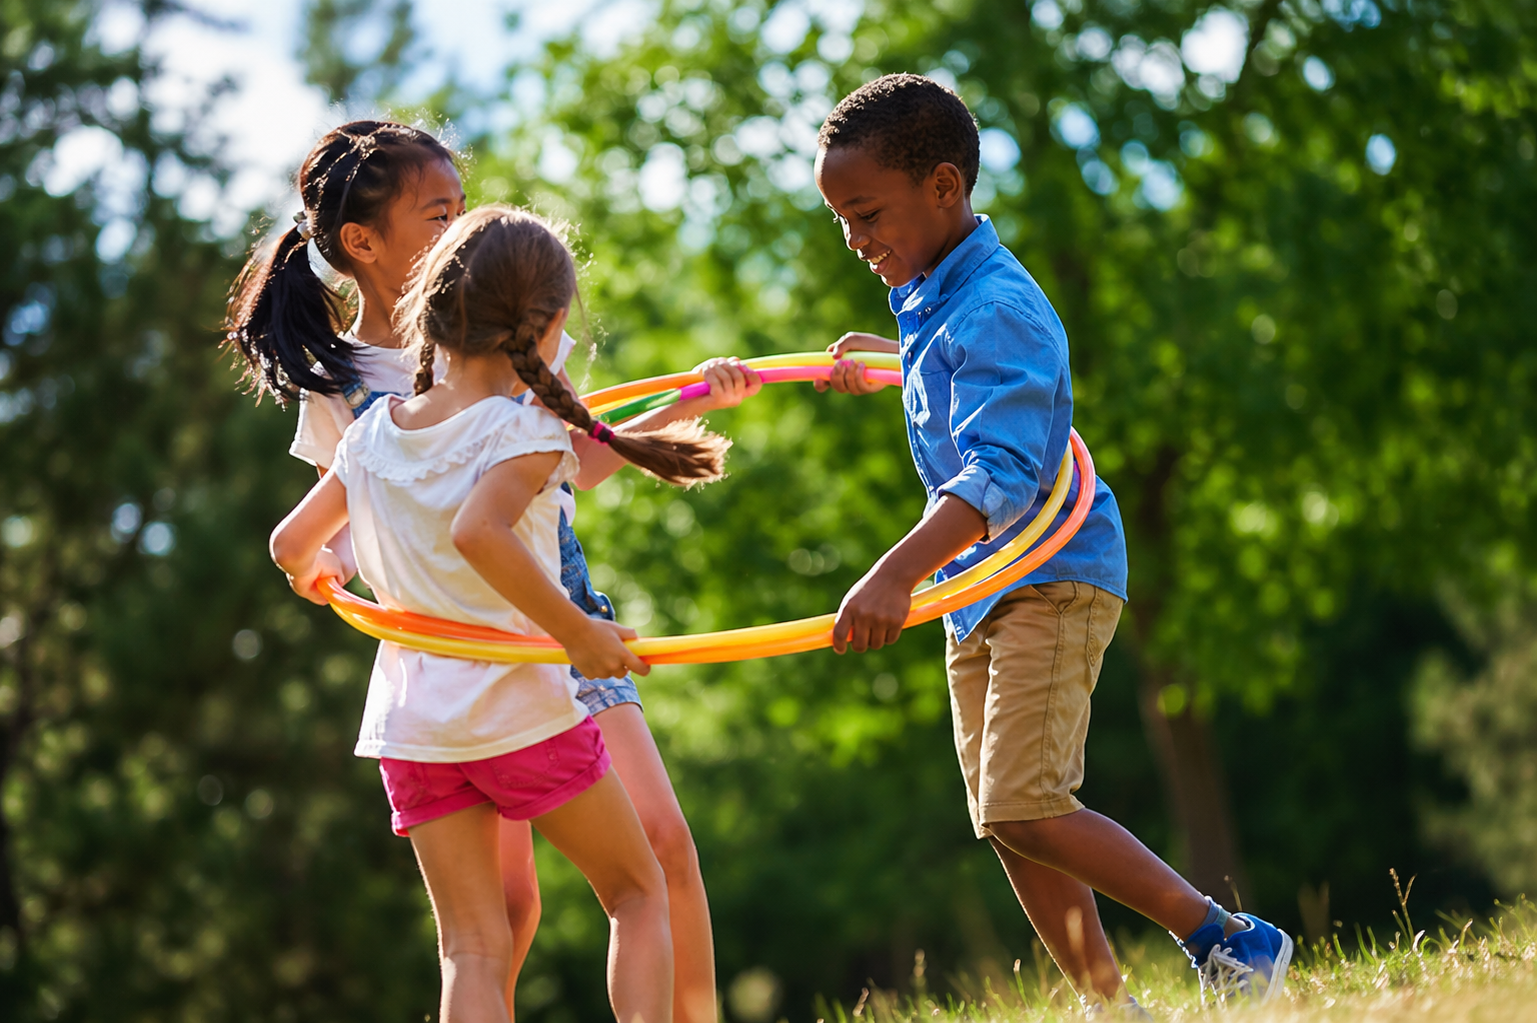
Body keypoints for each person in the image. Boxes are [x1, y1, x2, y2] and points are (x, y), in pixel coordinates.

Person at [226, 122, 748, 1022]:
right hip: (490, 649)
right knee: (533, 906)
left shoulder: (479, 351)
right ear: (361, 241)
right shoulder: (349, 391)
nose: (464, 225)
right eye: (440, 212)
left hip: (474, 665)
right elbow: (404, 528)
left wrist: (690, 397)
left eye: (463, 208)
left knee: (640, 855)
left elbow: (567, 464)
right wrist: (339, 572)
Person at [811, 74, 1292, 1012]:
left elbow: (998, 473)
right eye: (841, 220)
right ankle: (1108, 1002)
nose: (855, 241)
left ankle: (1228, 939)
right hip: (977, 589)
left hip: (1049, 577)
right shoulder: (937, 291)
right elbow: (954, 371)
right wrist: (891, 358)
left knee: (1026, 802)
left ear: (943, 188)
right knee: (1008, 821)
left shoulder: (995, 305)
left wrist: (891, 572)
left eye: (866, 214)